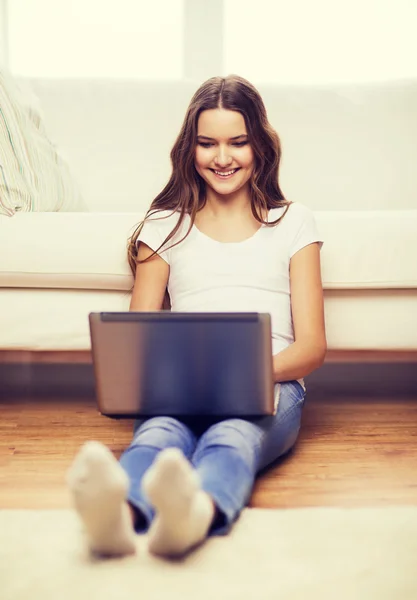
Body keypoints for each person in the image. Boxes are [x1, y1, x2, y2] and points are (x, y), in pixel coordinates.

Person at [67, 74, 327, 559]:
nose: (222, 158)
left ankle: (196, 513)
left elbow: (311, 347)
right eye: (207, 143)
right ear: (190, 148)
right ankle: (118, 518)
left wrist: (244, 375)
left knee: (232, 436)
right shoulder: (164, 224)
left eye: (238, 143)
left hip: (271, 382)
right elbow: (135, 338)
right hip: (183, 384)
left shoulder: (295, 221)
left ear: (260, 146)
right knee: (158, 434)